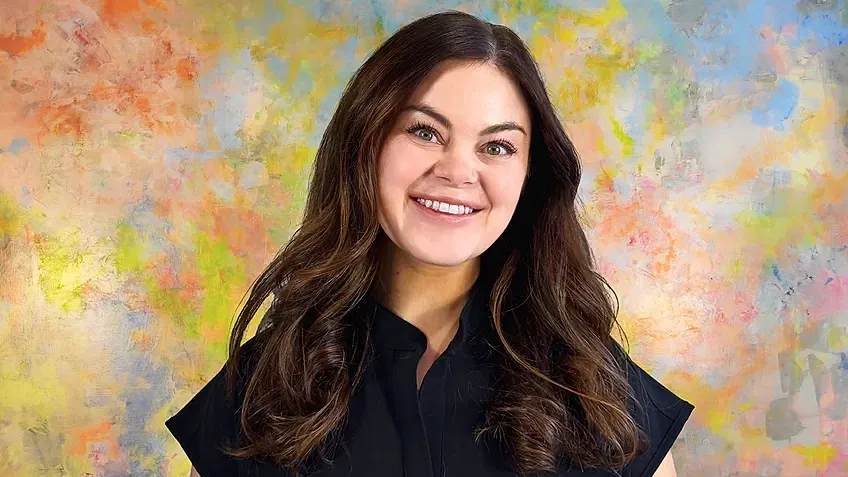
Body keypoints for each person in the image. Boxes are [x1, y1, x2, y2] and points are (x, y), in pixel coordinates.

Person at [165, 10, 694, 477]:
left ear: (530, 175)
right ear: (363, 143)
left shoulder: (602, 395)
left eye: (497, 145)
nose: (458, 171)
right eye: (424, 132)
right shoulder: (260, 390)